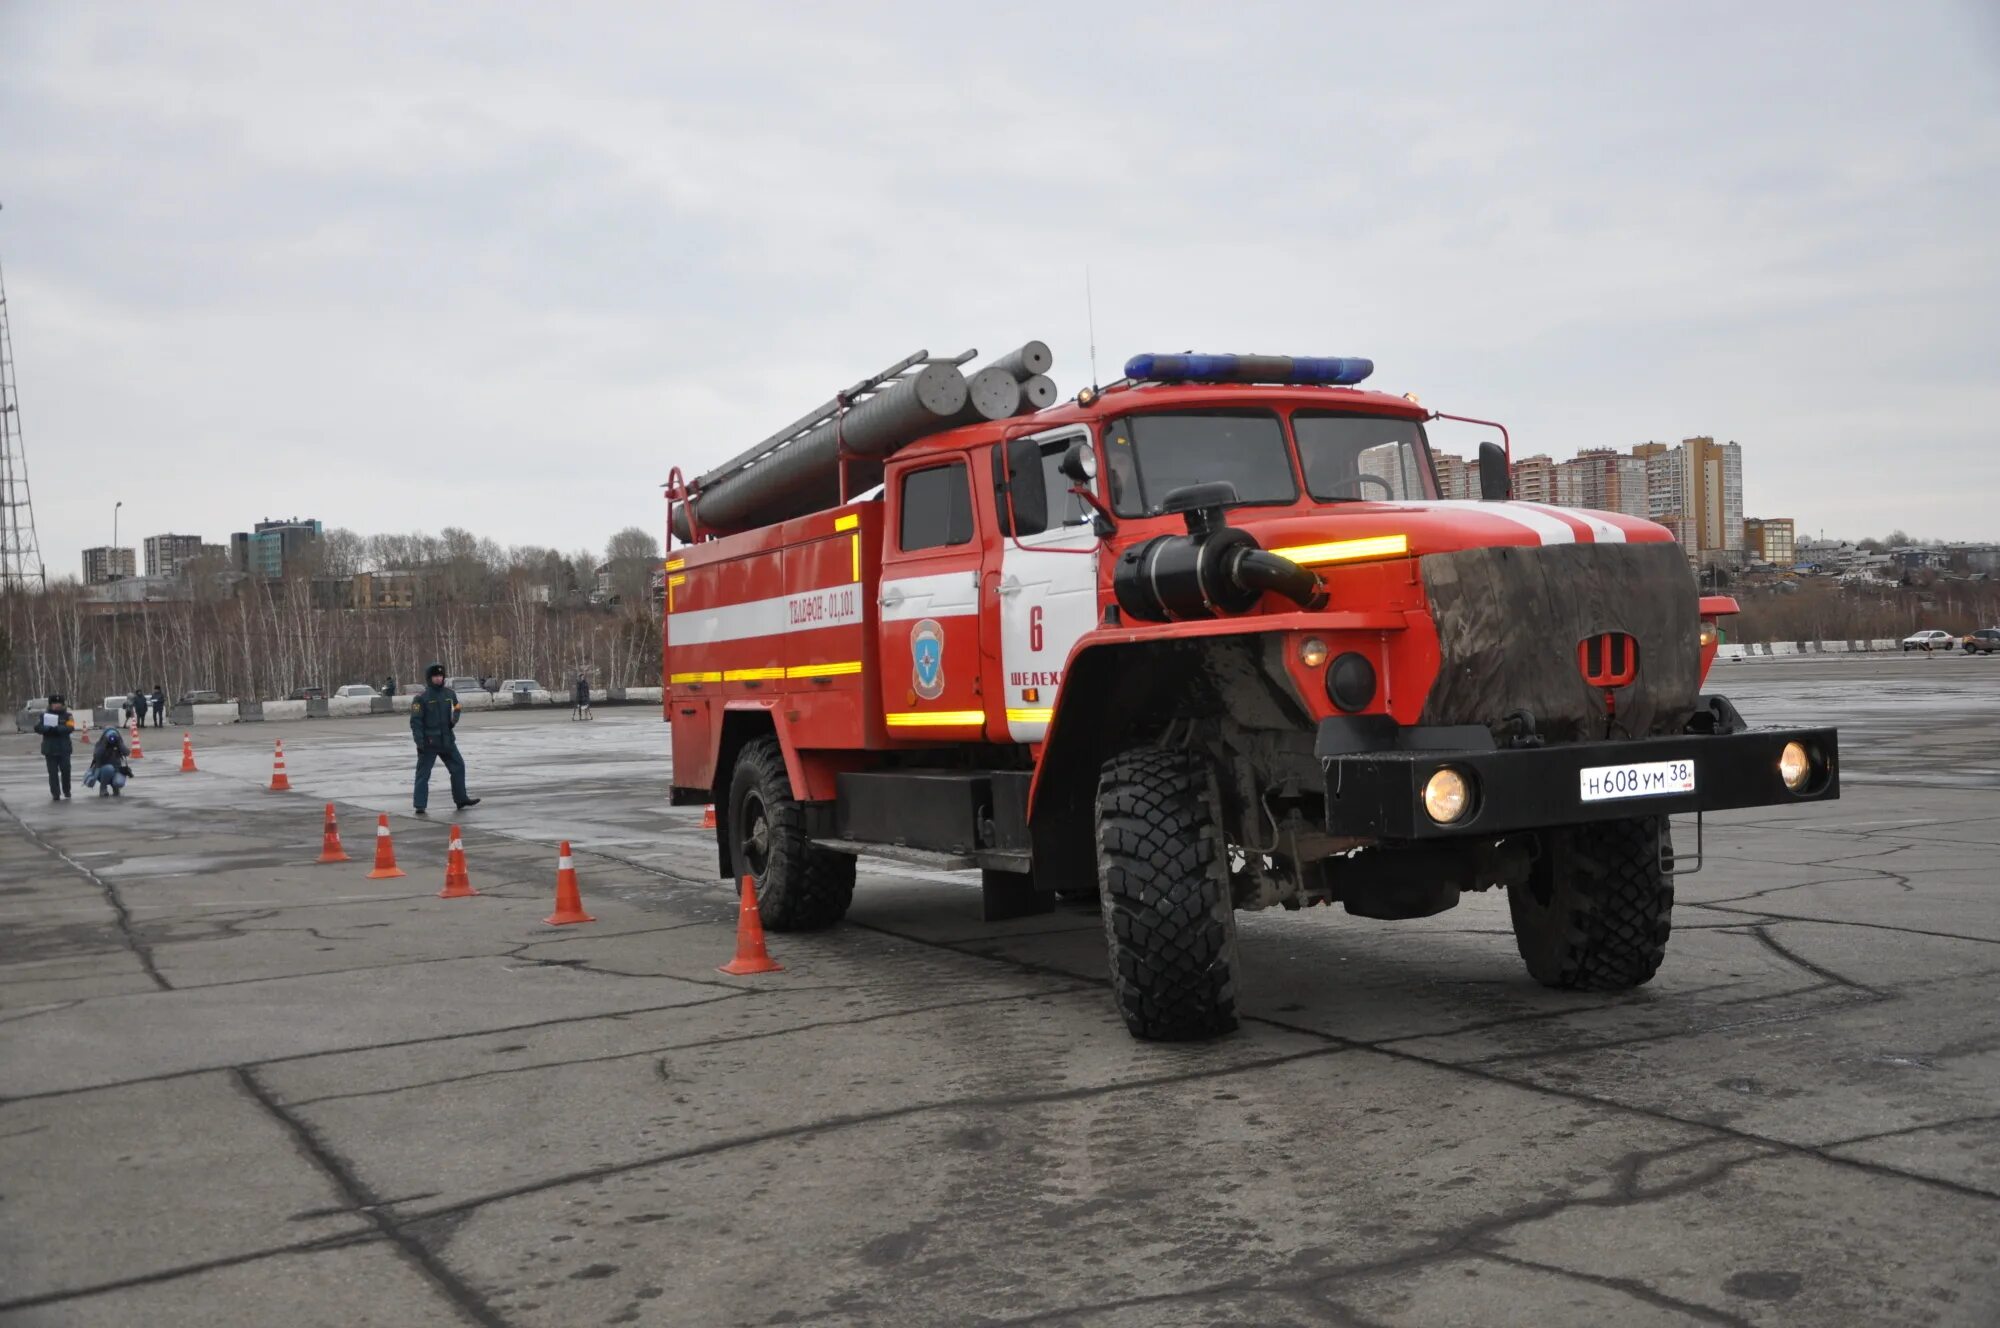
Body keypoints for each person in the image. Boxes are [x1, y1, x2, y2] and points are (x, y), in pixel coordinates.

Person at [409, 662, 479, 816]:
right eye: (435, 676)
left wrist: (454, 719)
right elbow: (416, 722)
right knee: (423, 774)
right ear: (429, 678)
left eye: (440, 676)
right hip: (429, 742)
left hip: (447, 740)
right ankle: (420, 805)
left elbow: (458, 707)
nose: (439, 679)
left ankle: (461, 799)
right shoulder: (421, 698)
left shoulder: (449, 694)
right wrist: (419, 742)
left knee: (459, 766)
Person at [34, 694, 77, 801]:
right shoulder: (43, 716)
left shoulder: (68, 716)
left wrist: (58, 729)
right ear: (50, 704)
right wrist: (48, 729)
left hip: (64, 749)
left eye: (59, 703)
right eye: (54, 703)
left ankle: (67, 790)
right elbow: (37, 727)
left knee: (66, 770)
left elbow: (71, 727)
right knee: (52, 773)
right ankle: (55, 793)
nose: (56, 705)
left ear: (62, 704)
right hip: (50, 749)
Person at [84, 726, 132, 797]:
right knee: (109, 768)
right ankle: (103, 788)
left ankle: (115, 787)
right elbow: (97, 755)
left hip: (116, 770)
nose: (112, 739)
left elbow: (127, 753)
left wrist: (119, 743)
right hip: (102, 771)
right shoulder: (100, 744)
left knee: (119, 782)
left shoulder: (118, 744)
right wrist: (104, 743)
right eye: (110, 737)